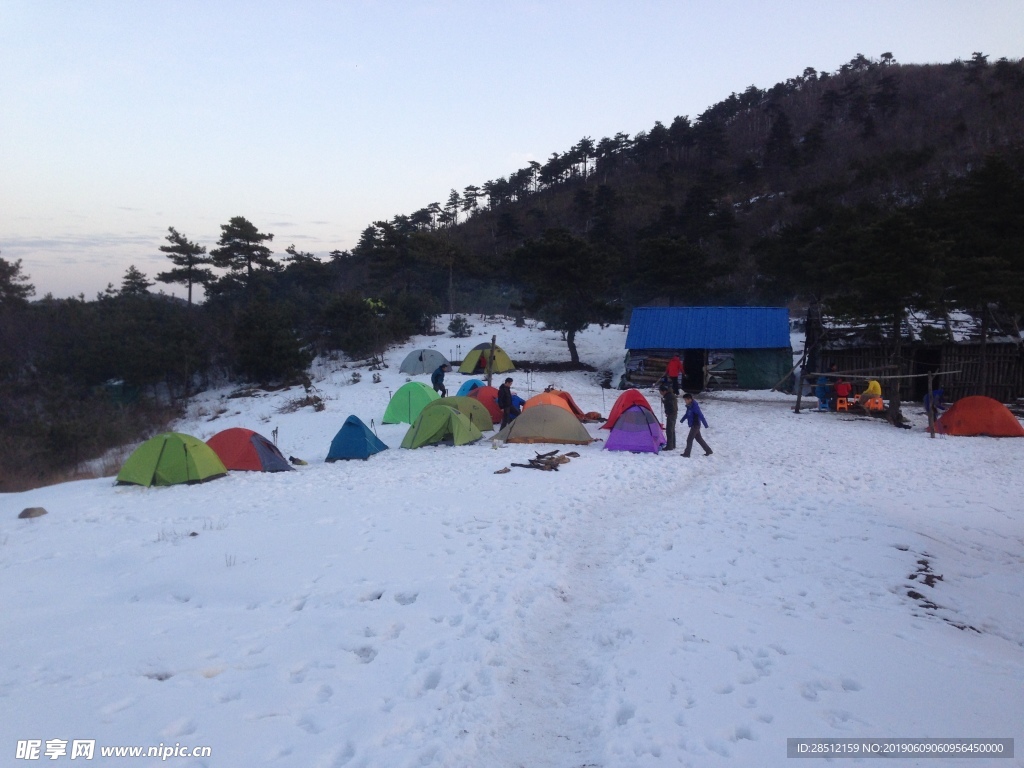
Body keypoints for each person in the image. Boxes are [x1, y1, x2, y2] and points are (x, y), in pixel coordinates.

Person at [680, 393, 712, 457]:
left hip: (695, 425)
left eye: (685, 400)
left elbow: (701, 416)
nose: (685, 401)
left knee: (689, 439)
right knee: (699, 439)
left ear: (690, 399)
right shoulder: (689, 406)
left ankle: (687, 454)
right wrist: (682, 420)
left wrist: (705, 425)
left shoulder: (695, 407)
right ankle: (708, 450)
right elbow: (687, 414)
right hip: (694, 425)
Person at [659, 383, 677, 451]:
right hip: (673, 414)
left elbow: (671, 406)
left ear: (664, 391)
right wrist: (664, 401)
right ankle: (673, 444)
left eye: (661, 392)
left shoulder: (669, 396)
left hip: (671, 414)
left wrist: (668, 413)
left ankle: (669, 446)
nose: (661, 393)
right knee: (672, 430)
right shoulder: (670, 395)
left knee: (669, 430)